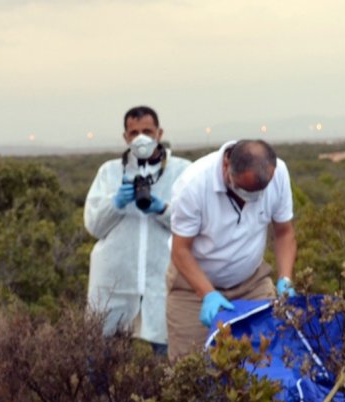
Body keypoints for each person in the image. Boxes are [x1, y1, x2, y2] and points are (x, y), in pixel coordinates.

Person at [167, 138, 298, 360]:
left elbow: (284, 232)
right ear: (226, 166)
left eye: (258, 192)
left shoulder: (278, 174)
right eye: (243, 190)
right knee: (191, 366)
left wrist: (285, 279)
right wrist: (207, 293)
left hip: (252, 283)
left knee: (265, 360)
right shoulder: (193, 184)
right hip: (192, 288)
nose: (250, 199)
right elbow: (181, 251)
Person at [84, 105, 190, 356]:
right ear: (125, 137)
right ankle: (100, 397)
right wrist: (115, 203)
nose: (141, 138)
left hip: (163, 276)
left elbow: (195, 223)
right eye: (134, 133)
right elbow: (94, 226)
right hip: (114, 279)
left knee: (170, 353)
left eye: (147, 131)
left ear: (159, 132)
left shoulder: (181, 170)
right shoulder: (109, 172)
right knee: (100, 354)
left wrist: (162, 209)